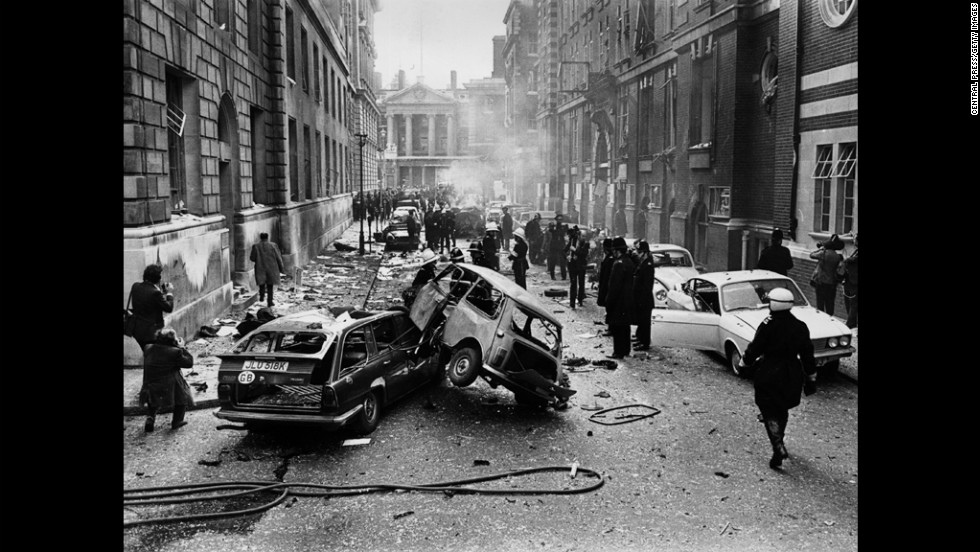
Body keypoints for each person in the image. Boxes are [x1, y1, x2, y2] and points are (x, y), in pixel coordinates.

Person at [737, 287, 818, 470]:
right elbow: (808, 355)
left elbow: (755, 348)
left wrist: (744, 363)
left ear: (773, 304)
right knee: (782, 408)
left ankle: (777, 444)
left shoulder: (768, 324)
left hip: (770, 371)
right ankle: (779, 439)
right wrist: (811, 378)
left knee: (767, 407)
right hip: (792, 373)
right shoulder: (800, 326)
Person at [140, 327, 195, 432]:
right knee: (183, 395)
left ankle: (150, 418)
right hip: (167, 386)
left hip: (150, 383)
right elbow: (189, 363)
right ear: (172, 340)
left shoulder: (148, 348)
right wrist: (182, 347)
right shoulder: (175, 352)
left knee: (153, 399)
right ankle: (177, 421)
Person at [129, 263, 175, 351]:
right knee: (153, 354)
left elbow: (148, 299)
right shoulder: (155, 293)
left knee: (145, 352)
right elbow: (169, 308)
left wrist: (161, 293)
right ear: (158, 279)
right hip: (152, 332)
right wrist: (169, 293)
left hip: (137, 330)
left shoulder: (135, 286)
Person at [604, 237, 635, 359]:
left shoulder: (618, 264)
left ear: (617, 251)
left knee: (617, 327)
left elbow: (614, 286)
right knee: (625, 327)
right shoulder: (629, 262)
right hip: (627, 300)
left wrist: (609, 301)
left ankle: (618, 352)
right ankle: (626, 350)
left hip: (618, 301)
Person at [809, 234, 845, 316]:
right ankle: (829, 318)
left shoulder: (823, 253)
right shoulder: (838, 257)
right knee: (830, 304)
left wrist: (821, 249)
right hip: (832, 284)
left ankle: (821, 320)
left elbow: (811, 255)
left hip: (821, 282)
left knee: (820, 304)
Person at [250, 232, 285, 307]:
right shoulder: (273, 245)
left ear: (260, 238)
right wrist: (281, 268)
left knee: (261, 283)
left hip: (260, 267)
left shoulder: (256, 246)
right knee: (270, 286)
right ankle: (270, 301)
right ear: (267, 237)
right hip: (271, 268)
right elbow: (278, 257)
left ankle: (262, 297)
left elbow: (252, 258)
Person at [632, 240, 655, 351]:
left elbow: (647, 285)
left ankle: (645, 343)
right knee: (641, 321)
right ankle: (640, 339)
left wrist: (642, 299)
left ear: (645, 252)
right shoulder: (643, 262)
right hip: (640, 298)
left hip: (645, 299)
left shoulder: (648, 264)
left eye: (640, 252)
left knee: (645, 322)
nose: (639, 254)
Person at [565, 226, 589, 308]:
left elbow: (583, 253)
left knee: (581, 283)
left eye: (585, 236)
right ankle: (572, 302)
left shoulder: (586, 244)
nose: (584, 238)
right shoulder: (573, 241)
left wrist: (575, 250)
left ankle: (580, 299)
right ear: (578, 235)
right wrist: (567, 256)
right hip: (573, 265)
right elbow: (565, 250)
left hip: (581, 265)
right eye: (582, 236)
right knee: (573, 283)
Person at [596, 238, 615, 337]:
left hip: (608, 287)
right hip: (606, 286)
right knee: (609, 308)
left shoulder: (610, 259)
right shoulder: (608, 257)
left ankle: (611, 328)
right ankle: (610, 327)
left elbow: (607, 274)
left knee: (610, 309)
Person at [840, 233, 858, 329]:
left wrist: (847, 260)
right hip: (851, 280)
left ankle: (851, 323)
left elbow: (852, 260)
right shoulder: (856, 251)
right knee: (851, 302)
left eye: (855, 239)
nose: (854, 241)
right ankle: (852, 321)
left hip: (854, 281)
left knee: (853, 303)